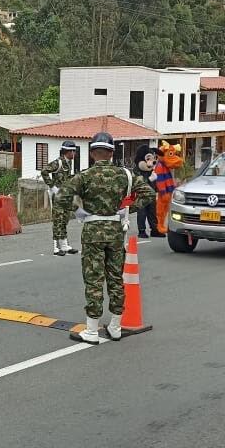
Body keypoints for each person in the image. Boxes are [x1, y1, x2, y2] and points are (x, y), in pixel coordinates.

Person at [56, 132, 154, 344]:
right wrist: (127, 208)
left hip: (92, 230)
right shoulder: (125, 175)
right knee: (116, 278)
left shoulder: (84, 176)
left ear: (92, 153)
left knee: (94, 280)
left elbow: (61, 196)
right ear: (111, 153)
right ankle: (115, 326)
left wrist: (79, 210)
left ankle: (91, 330)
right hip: (116, 230)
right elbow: (149, 194)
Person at [41, 140, 79, 256]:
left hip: (66, 195)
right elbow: (44, 171)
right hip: (57, 196)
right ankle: (56, 247)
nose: (75, 154)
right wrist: (52, 186)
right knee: (58, 220)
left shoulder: (69, 163)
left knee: (64, 220)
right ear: (69, 151)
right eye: (74, 152)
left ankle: (65, 245)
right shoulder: (58, 163)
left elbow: (66, 177)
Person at [133, 145, 158, 238]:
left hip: (151, 195)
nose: (151, 162)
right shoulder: (136, 170)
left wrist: (156, 189)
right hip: (141, 195)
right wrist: (149, 179)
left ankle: (155, 229)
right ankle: (142, 231)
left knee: (153, 212)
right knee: (142, 213)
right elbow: (138, 182)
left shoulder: (151, 170)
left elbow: (155, 183)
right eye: (148, 159)